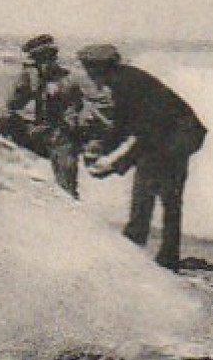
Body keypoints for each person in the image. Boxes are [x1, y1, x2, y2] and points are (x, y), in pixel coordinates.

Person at [76, 43, 206, 270]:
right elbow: (123, 126)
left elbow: (140, 132)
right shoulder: (125, 78)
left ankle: (135, 250)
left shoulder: (123, 84)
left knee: (147, 192)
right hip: (178, 134)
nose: (88, 75)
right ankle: (166, 256)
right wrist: (105, 152)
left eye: (89, 69)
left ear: (97, 68)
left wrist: (113, 164)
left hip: (174, 137)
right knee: (169, 199)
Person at [0, 34, 86, 198]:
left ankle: (68, 198)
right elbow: (12, 105)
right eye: (38, 61)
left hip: (63, 137)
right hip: (42, 134)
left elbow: (72, 118)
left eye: (47, 59)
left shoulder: (67, 80)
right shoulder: (34, 78)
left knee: (66, 185)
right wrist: (25, 81)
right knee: (5, 121)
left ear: (53, 58)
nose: (43, 65)